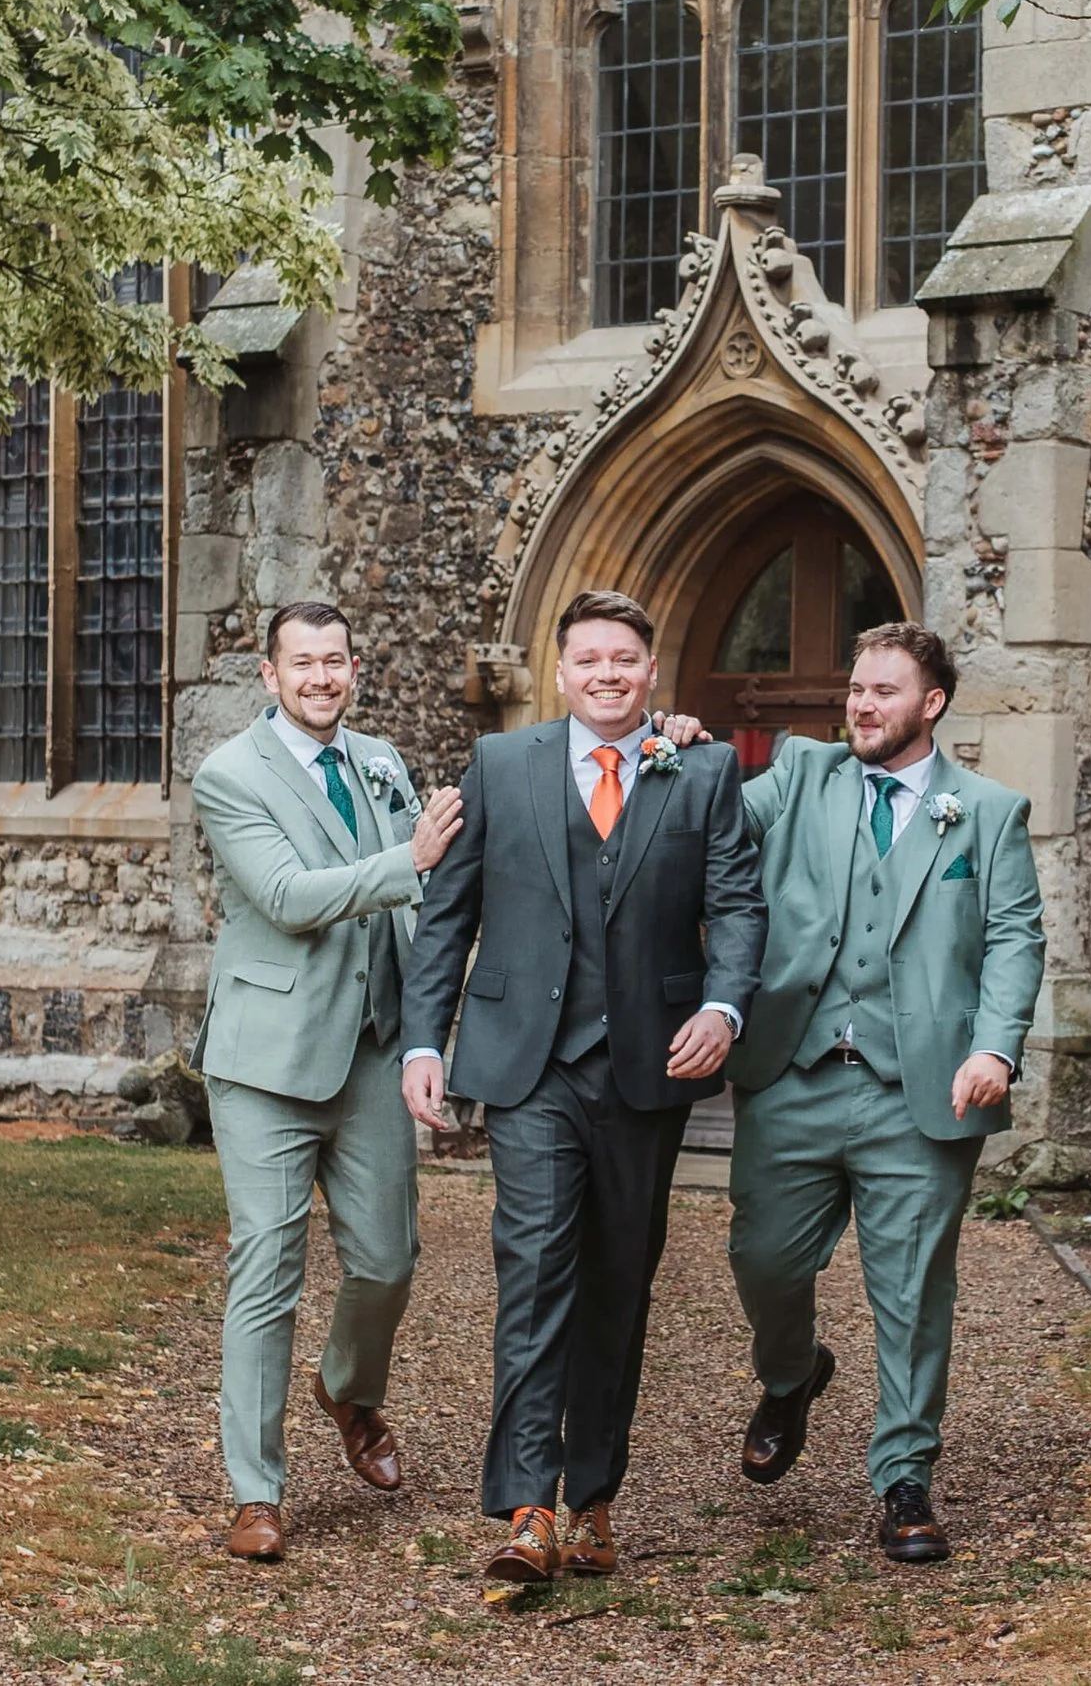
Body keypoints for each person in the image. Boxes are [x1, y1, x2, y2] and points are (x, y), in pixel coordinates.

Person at [400, 589, 766, 1584]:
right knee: (532, 1273)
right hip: (530, 1065)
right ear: (561, 673)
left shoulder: (701, 768)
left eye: (624, 659)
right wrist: (421, 1041)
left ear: (652, 672)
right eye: (588, 659)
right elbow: (447, 913)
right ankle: (527, 1506)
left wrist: (725, 1006)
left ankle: (592, 1497)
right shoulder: (501, 765)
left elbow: (736, 901)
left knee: (616, 1283)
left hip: (646, 1067)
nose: (606, 673)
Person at [721, 621, 1045, 1563]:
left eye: (883, 691)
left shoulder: (986, 812)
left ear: (931, 705)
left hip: (927, 1092)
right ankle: (791, 1375)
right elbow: (720, 825)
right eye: (856, 689)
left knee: (911, 1293)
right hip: (794, 1076)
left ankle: (904, 1479)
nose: (861, 705)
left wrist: (997, 1050)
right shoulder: (804, 772)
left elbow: (1016, 940)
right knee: (763, 1261)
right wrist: (679, 755)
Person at [188, 600, 465, 1562]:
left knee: (389, 1259)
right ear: (270, 676)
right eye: (301, 663)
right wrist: (412, 859)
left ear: (355, 669)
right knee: (266, 1269)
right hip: (267, 1061)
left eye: (335, 661)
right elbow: (287, 898)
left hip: (375, 1050)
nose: (320, 678)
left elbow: (429, 895)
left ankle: (347, 1387)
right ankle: (256, 1493)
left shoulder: (381, 760)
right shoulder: (230, 776)